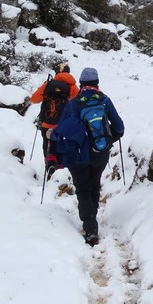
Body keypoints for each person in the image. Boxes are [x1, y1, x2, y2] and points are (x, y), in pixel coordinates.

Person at [48, 67, 125, 247]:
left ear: (81, 84)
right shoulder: (105, 100)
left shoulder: (74, 103)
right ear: (97, 83)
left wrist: (52, 136)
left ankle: (90, 228)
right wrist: (107, 141)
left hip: (78, 154)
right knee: (94, 183)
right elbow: (120, 128)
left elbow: (63, 128)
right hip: (100, 153)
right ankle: (92, 218)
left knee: (83, 189)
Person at [30, 62, 79, 167]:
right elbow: (79, 103)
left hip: (46, 123)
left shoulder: (48, 84)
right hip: (63, 124)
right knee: (61, 145)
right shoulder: (72, 87)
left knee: (47, 145)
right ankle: (60, 169)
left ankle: (50, 164)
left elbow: (34, 99)